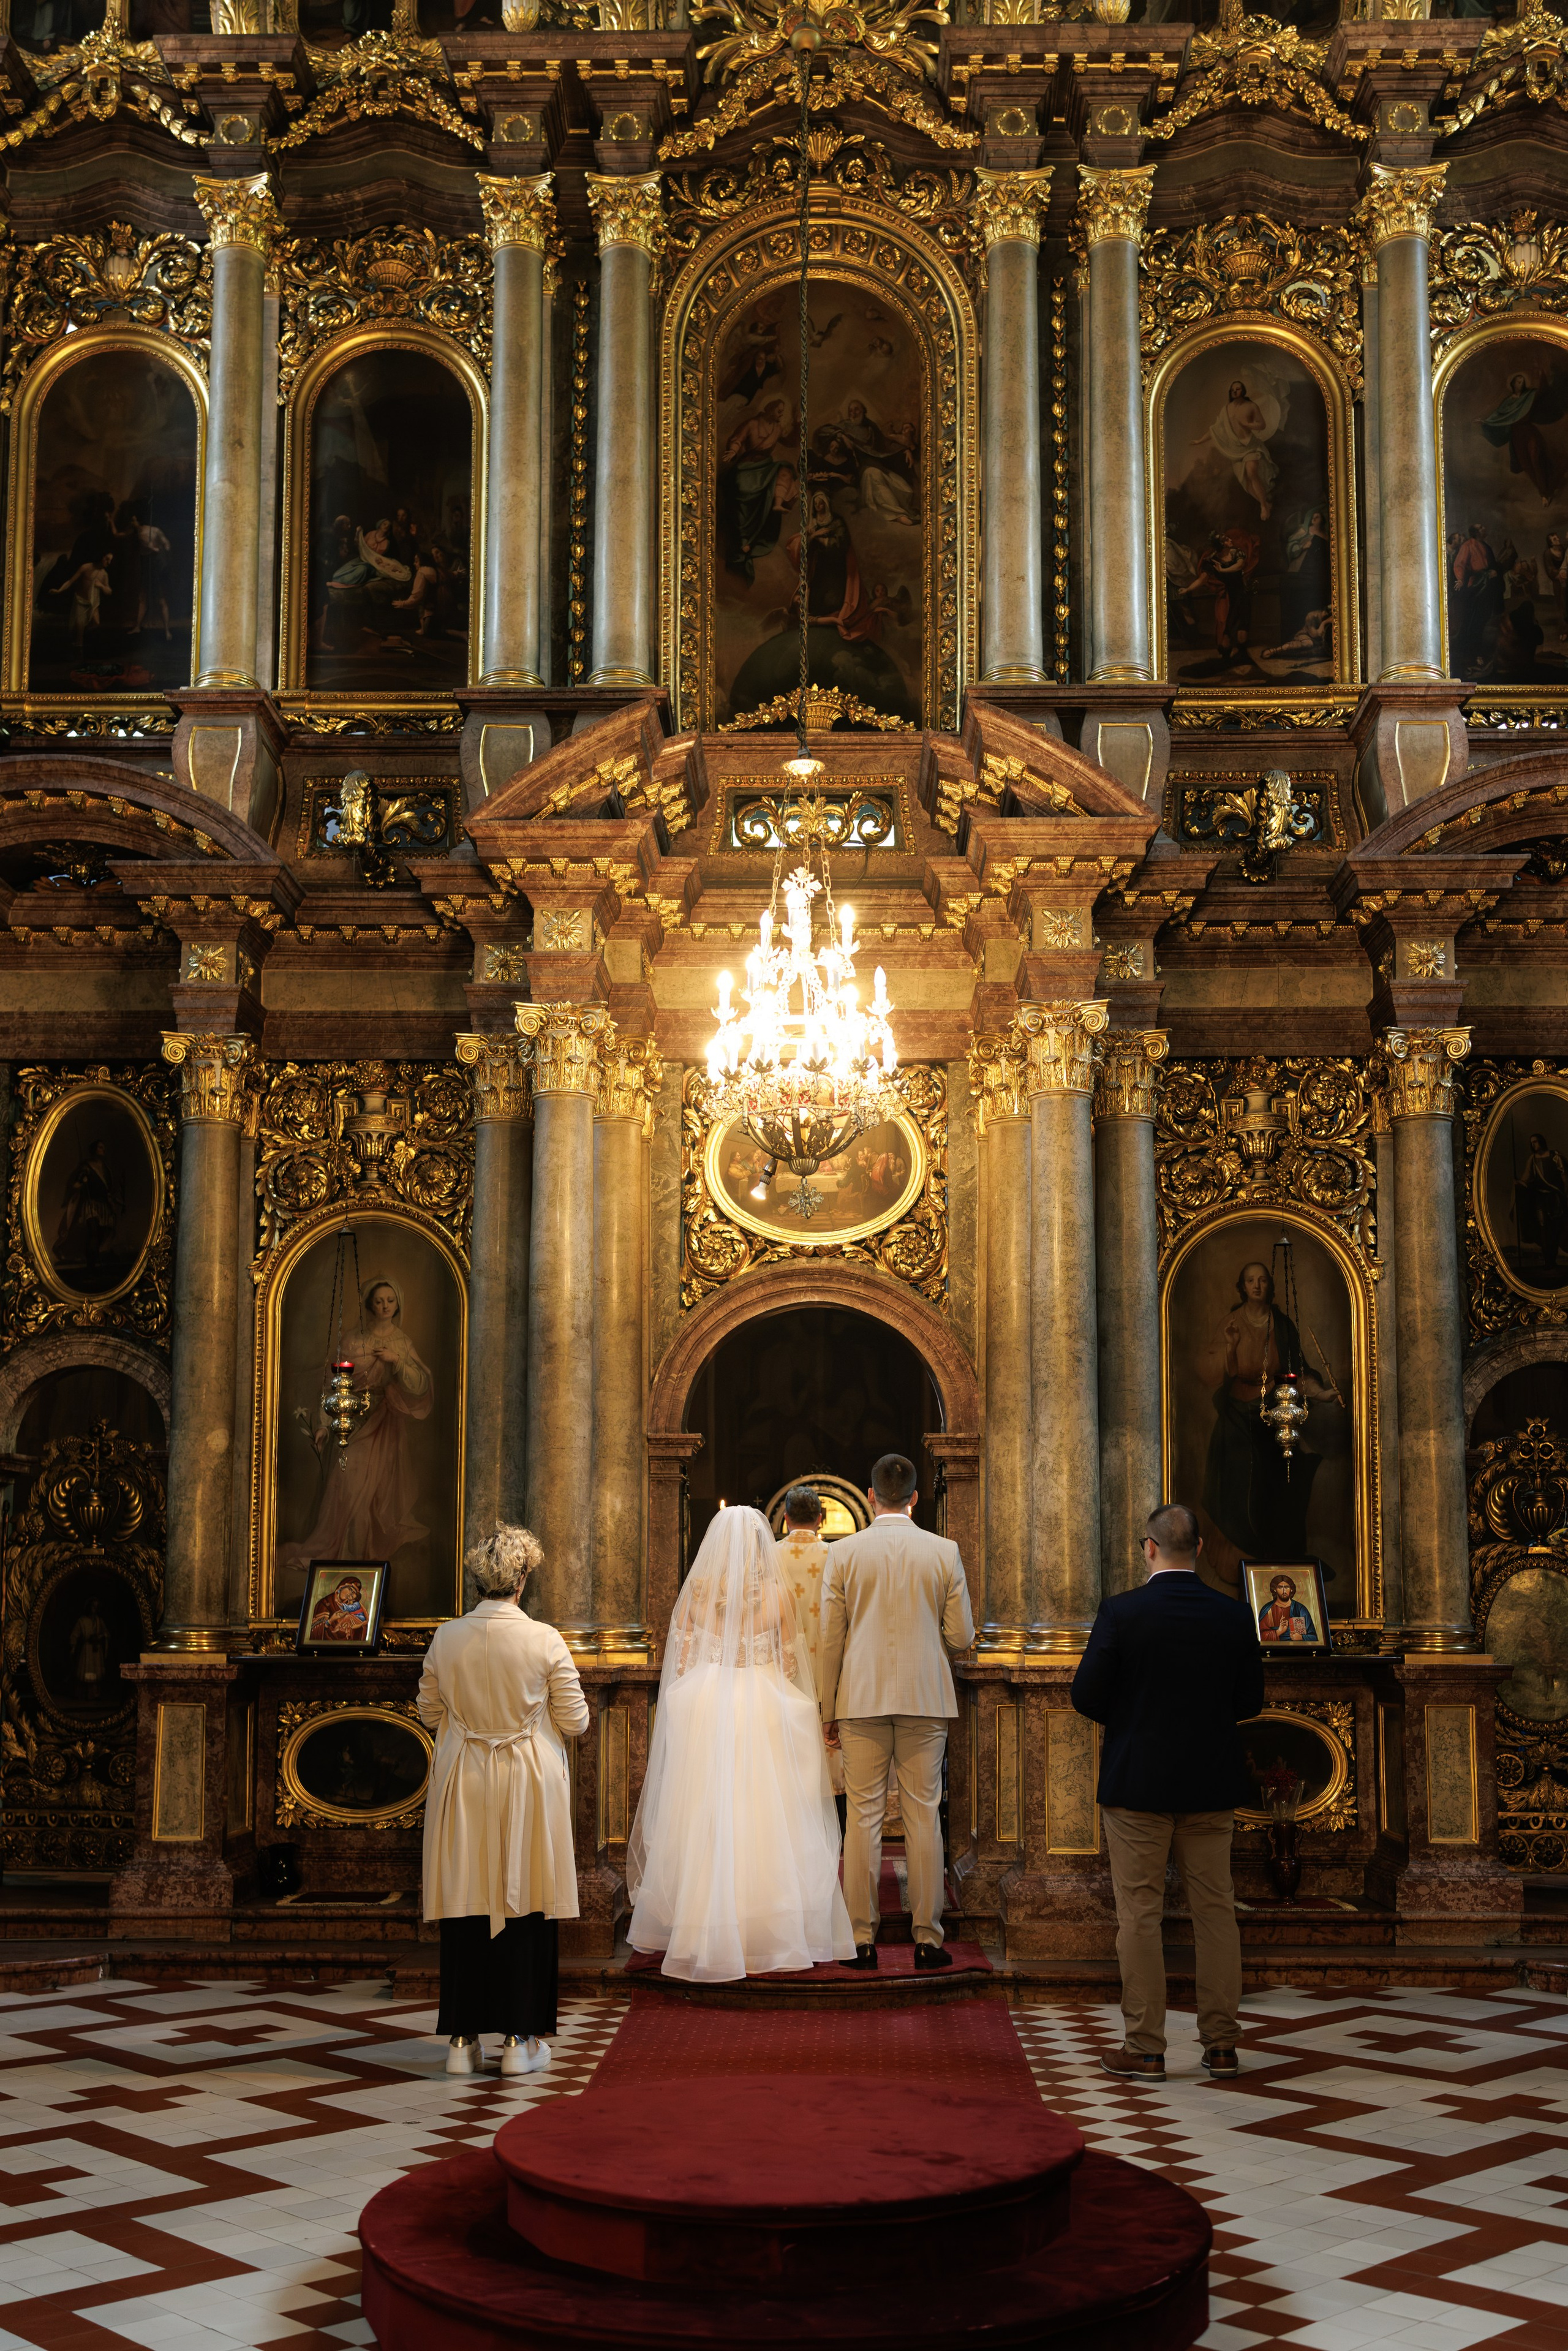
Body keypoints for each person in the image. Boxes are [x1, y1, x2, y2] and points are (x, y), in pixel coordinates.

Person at [1071, 1503, 1264, 2083]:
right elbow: (1249, 1703)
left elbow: (1086, 1695)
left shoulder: (1123, 1612)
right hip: (1210, 1782)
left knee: (1139, 1916)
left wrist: (1130, 1718)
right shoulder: (1233, 1614)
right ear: (1200, 1549)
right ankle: (1223, 2045)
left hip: (1138, 1784)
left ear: (1149, 1548)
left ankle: (1147, 2047)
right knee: (1216, 1913)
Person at [626, 1505, 854, 1982]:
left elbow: (682, 1663)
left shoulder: (697, 1595)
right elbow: (791, 1666)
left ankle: (705, 1925)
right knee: (766, 1811)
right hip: (762, 1705)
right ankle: (767, 1927)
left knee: (707, 1812)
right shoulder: (774, 1595)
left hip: (707, 1706)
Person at [418, 1525, 587, 2078]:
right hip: (528, 1778)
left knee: (467, 1895)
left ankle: (462, 2042)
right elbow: (577, 1720)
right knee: (528, 1895)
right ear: (522, 1578)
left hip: (464, 1777)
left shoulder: (446, 1637)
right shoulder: (544, 1639)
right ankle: (520, 2038)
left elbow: (428, 1712)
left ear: (477, 1579)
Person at [818, 1452, 975, 1971]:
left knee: (860, 1819)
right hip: (924, 1698)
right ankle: (928, 1940)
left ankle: (860, 1940)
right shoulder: (944, 1551)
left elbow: (830, 1640)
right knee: (923, 1816)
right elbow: (961, 1637)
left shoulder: (843, 1554)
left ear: (869, 1496)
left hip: (859, 1698)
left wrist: (827, 1706)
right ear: (914, 1498)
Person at [278, 1277, 434, 1580]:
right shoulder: (351, 1340)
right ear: (369, 1305)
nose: (385, 1306)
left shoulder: (402, 1342)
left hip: (384, 1426)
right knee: (346, 1489)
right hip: (353, 1424)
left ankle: (363, 1564)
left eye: (391, 1300)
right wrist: (325, 1425)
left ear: (398, 1303)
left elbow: (421, 1384)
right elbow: (334, 1385)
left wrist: (398, 1361)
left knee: (375, 1495)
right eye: (379, 1301)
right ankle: (343, 1557)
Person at [773, 1485, 846, 1822]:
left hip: (778, 1669)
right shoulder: (838, 1556)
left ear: (786, 1519)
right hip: (829, 1669)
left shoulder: (768, 1556)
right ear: (821, 1519)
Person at [1515, 1128, 1568, 1275]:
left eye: (1536, 1142)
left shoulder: (1555, 1156)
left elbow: (1565, 1176)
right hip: (1540, 1199)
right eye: (1532, 1143)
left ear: (1542, 1142)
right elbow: (1527, 1178)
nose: (1534, 1145)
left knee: (1556, 1228)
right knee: (1544, 1228)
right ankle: (1548, 1261)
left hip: (1555, 1197)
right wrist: (1519, 1183)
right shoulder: (1532, 1160)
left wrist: (1565, 1193)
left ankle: (1554, 1258)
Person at [1257, 1572, 1317, 1643]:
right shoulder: (1268, 1609)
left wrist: (1301, 1637)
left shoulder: (1300, 1609)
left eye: (1286, 1587)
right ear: (1275, 1590)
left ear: (1291, 1589)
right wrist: (1279, 1632)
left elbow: (1314, 1637)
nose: (1284, 1591)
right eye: (1280, 1587)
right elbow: (1260, 1636)